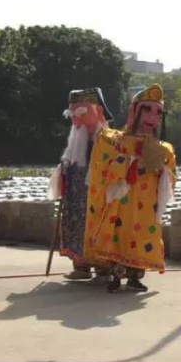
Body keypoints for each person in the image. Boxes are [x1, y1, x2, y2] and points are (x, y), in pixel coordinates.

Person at [84, 83, 177, 293]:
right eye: (147, 109)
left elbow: (170, 179)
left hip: (146, 204)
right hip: (121, 201)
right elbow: (102, 167)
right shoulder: (112, 140)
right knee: (119, 234)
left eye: (158, 111)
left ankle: (135, 276)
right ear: (134, 111)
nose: (153, 116)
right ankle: (116, 276)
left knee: (143, 235)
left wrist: (160, 168)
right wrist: (130, 161)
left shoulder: (165, 149)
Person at [47, 88, 113, 281]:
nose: (76, 119)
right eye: (72, 114)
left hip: (99, 197)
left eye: (82, 113)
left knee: (100, 226)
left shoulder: (110, 141)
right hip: (76, 196)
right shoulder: (76, 137)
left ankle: (104, 267)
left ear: (99, 112)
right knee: (75, 223)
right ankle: (81, 265)